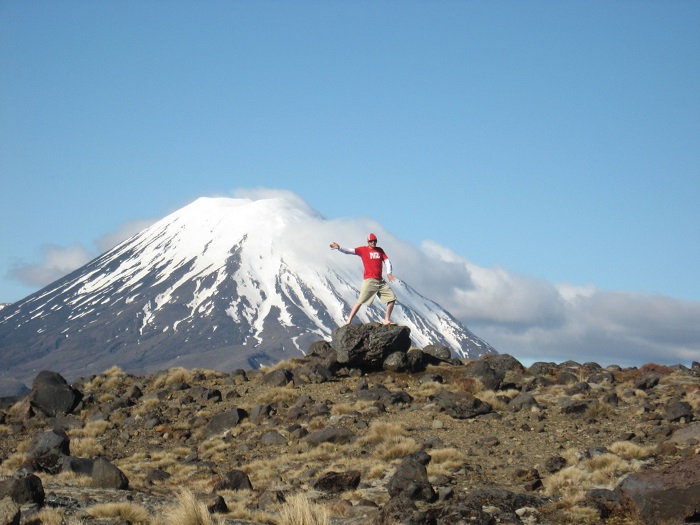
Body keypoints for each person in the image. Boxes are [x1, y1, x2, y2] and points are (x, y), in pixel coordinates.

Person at [329, 233, 397, 325]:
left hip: (380, 281)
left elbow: (387, 261)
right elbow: (350, 251)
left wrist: (389, 273)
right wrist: (339, 248)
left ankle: (387, 320)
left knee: (391, 298)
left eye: (375, 241)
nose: (373, 242)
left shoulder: (380, 250)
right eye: (371, 241)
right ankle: (348, 320)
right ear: (368, 242)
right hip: (369, 280)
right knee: (360, 301)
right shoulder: (363, 250)